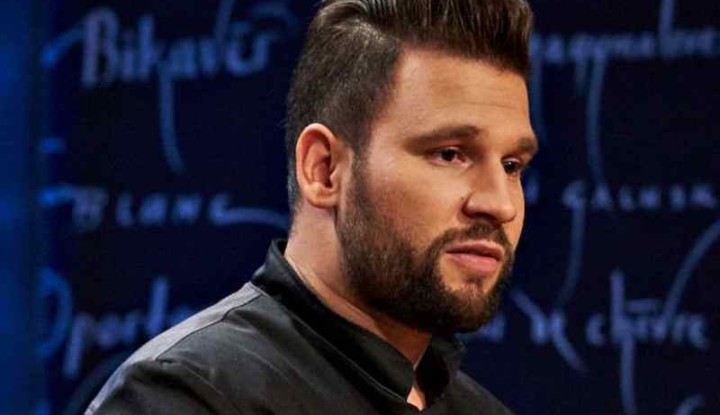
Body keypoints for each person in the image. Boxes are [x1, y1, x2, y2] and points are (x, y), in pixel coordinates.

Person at [86, 0, 537, 413]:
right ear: (324, 170)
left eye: (512, 165)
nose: (498, 203)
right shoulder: (185, 397)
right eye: (450, 154)